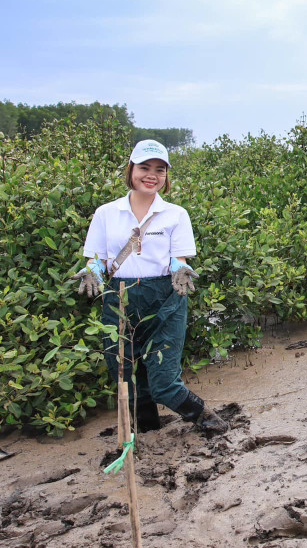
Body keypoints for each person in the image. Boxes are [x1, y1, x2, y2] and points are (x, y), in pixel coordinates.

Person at [71, 139, 228, 435]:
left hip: (165, 300)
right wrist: (90, 272)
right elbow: (98, 260)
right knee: (127, 377)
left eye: (160, 169)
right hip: (119, 301)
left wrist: (181, 269)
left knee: (164, 382)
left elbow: (176, 259)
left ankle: (212, 423)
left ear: (166, 176)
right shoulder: (107, 213)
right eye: (145, 167)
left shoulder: (175, 214)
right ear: (131, 170)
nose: (151, 174)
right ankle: (148, 432)